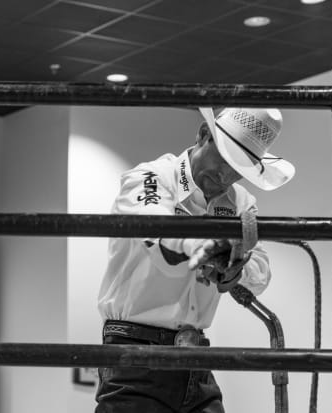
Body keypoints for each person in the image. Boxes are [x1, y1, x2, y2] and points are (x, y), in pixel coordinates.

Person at [95, 107, 295, 413]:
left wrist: (235, 269)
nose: (226, 177)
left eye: (240, 169)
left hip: (196, 355)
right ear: (204, 135)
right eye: (226, 160)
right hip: (135, 354)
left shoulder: (241, 201)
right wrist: (203, 245)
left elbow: (260, 271)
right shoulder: (151, 177)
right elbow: (154, 225)